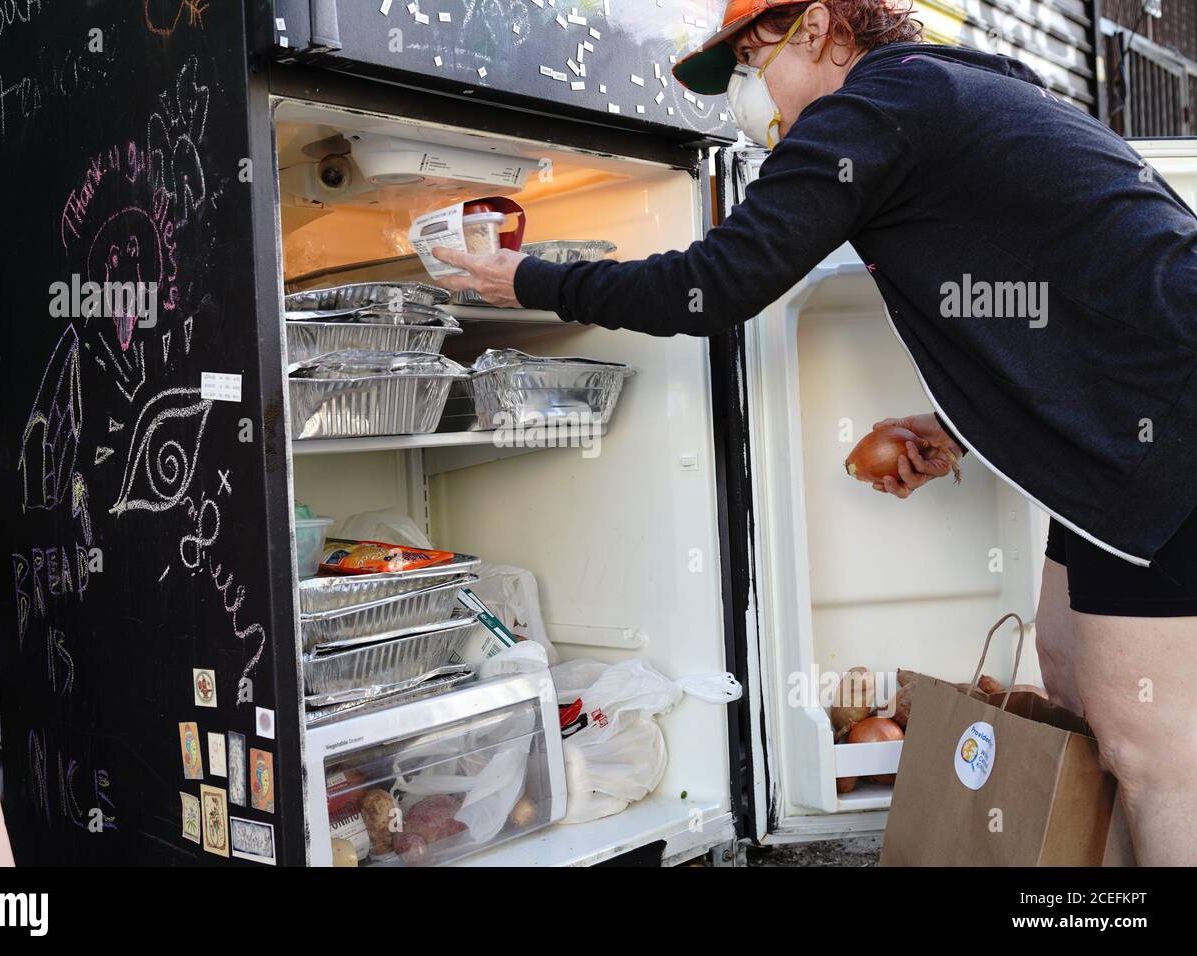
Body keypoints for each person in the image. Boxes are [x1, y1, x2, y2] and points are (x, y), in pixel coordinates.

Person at [431, 0, 1197, 865]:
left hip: (1164, 437)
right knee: (1070, 674)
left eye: (752, 66)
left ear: (821, 26)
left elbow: (712, 285)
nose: (749, 100)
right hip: (1118, 441)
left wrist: (529, 277)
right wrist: (963, 426)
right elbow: (1061, 296)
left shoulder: (873, 110)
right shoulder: (941, 91)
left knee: (1157, 751)